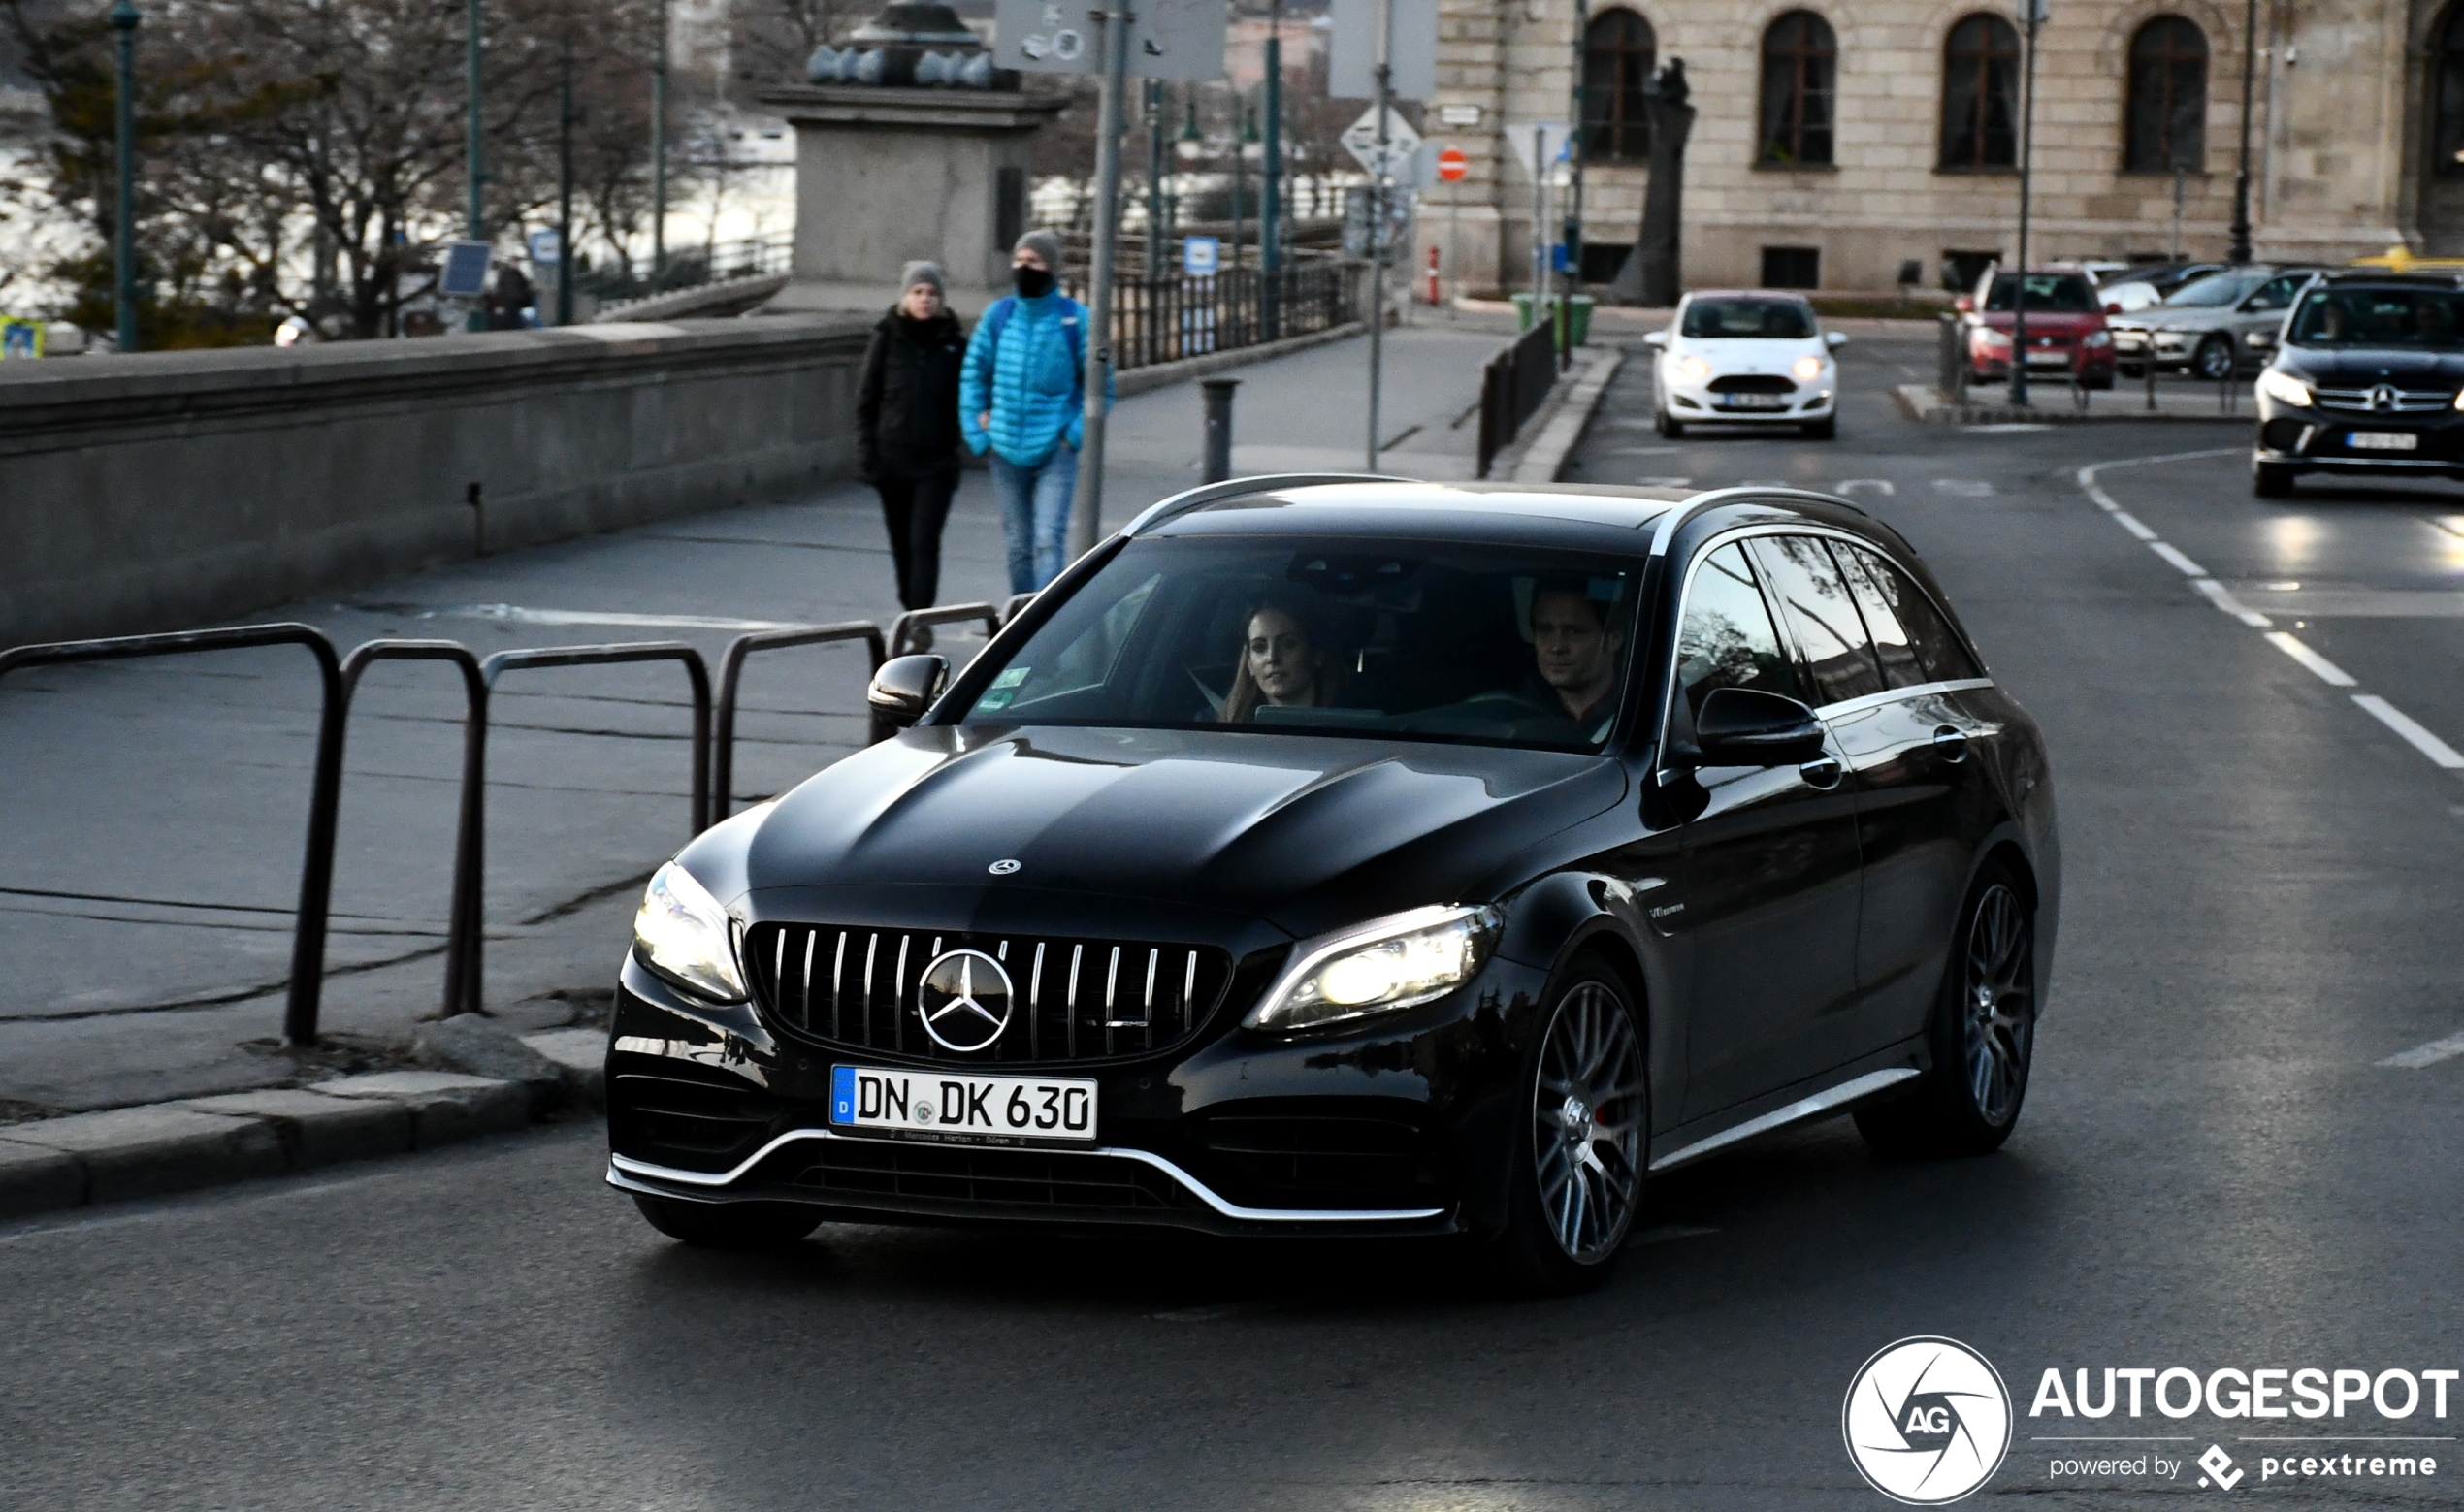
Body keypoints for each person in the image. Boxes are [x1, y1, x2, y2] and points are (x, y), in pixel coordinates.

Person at [961, 229, 1100, 594]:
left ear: (1052, 268)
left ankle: (1047, 627)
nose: (1025, 267)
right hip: (1005, 448)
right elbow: (973, 375)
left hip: (1054, 448)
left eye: (1034, 261)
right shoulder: (1000, 316)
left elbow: (1098, 386)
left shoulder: (1075, 320)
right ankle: (1020, 620)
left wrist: (1072, 436)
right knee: (1018, 545)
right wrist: (979, 436)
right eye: (1019, 260)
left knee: (1048, 540)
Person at [857, 261, 966, 622]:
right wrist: (868, 456)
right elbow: (867, 400)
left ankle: (919, 621)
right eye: (918, 292)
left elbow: (967, 398)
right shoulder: (886, 337)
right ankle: (910, 608)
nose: (926, 300)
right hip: (893, 459)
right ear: (905, 297)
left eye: (933, 294)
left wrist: (958, 447)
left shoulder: (954, 342)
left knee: (924, 542)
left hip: (936, 463)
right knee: (902, 544)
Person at [1527, 578, 1626, 740]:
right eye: (1545, 630)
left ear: (1614, 638)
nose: (1557, 647)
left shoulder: (1640, 716)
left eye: (1573, 632)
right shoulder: (1510, 712)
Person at [1220, 595, 1345, 721]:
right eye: (1260, 648)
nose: (1272, 658)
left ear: (1316, 656)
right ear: (1250, 665)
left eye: (1288, 644)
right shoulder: (1218, 726)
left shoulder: (1351, 723)